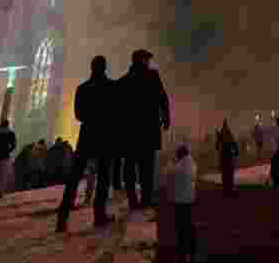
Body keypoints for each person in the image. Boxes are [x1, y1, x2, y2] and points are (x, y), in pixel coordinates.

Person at [57, 55, 120, 232]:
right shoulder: (111, 87)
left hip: (86, 136)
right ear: (105, 67)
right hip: (105, 137)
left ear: (92, 68)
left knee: (74, 178)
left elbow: (78, 115)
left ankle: (62, 218)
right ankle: (99, 216)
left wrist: (91, 116)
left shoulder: (82, 88)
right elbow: (117, 112)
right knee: (103, 178)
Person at [119, 48, 170, 210]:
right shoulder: (152, 75)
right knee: (146, 166)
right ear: (142, 60)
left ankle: (133, 199)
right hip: (148, 128)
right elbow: (163, 98)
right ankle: (146, 199)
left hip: (130, 131)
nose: (149, 62)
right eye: (147, 60)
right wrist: (166, 117)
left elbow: (117, 108)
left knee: (130, 166)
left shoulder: (124, 80)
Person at [169, 144, 197, 263]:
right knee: (189, 224)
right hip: (190, 199)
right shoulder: (193, 164)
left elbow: (168, 175)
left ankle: (182, 252)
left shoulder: (179, 167)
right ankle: (191, 249)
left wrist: (172, 163)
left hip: (180, 201)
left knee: (181, 227)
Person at [216, 120, 240, 197]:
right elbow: (234, 144)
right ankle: (229, 188)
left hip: (224, 157)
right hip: (229, 157)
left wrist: (218, 137)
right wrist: (236, 152)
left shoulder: (222, 135)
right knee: (229, 174)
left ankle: (226, 189)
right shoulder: (229, 135)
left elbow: (217, 146)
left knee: (225, 174)